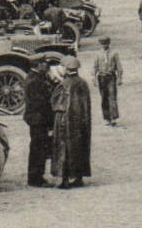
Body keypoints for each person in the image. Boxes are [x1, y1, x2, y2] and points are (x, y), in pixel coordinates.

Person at [51, 55, 93, 189]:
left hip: (65, 122)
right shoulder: (83, 83)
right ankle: (78, 177)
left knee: (64, 149)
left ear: (66, 69)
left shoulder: (64, 84)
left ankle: (64, 180)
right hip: (80, 122)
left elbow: (55, 103)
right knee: (79, 147)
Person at [24, 58, 55, 187]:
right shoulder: (34, 81)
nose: (46, 65)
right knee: (38, 148)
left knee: (39, 147)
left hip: (38, 118)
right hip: (38, 119)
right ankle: (35, 178)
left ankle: (36, 176)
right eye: (44, 64)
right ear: (38, 65)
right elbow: (41, 103)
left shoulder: (36, 77)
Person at [94, 36, 123, 127]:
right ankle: (106, 118)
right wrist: (93, 78)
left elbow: (119, 66)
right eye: (102, 44)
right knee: (104, 98)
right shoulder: (98, 54)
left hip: (111, 77)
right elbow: (95, 67)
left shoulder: (114, 53)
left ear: (109, 44)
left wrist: (119, 78)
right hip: (101, 77)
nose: (104, 46)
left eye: (106, 44)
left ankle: (113, 117)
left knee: (112, 96)